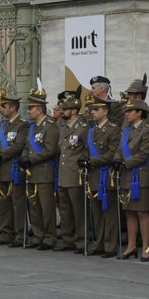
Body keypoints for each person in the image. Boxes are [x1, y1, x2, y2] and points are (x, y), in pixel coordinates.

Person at [116, 98, 149, 260]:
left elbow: (143, 153)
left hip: (140, 175)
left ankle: (146, 246)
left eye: (130, 111)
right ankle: (131, 246)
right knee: (129, 211)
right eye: (125, 111)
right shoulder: (126, 130)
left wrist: (125, 162)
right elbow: (119, 149)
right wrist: (117, 159)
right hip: (126, 175)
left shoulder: (147, 130)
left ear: (139, 113)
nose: (126, 114)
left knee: (141, 212)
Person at [82, 97, 120, 257]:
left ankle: (110, 246)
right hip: (93, 175)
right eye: (92, 110)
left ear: (105, 111)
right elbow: (86, 150)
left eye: (96, 110)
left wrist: (91, 161)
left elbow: (112, 153)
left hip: (106, 174)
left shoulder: (113, 129)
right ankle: (98, 244)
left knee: (109, 213)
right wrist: (84, 159)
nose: (92, 113)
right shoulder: (91, 130)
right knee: (96, 213)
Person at [21, 89, 59, 250]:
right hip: (31, 172)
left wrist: (31, 159)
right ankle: (38, 236)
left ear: (39, 109)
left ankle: (49, 237)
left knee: (46, 207)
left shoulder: (50, 126)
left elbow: (50, 150)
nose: (28, 111)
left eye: (31, 108)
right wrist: (24, 157)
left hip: (44, 172)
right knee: (34, 207)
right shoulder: (32, 127)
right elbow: (27, 146)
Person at [0, 91, 28, 246]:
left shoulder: (22, 125)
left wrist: (1, 155)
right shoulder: (2, 125)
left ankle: (21, 235)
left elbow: (18, 145)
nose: (1, 109)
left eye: (4, 106)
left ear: (13, 108)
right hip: (2, 168)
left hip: (14, 168)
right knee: (4, 203)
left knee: (17, 204)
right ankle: (7, 233)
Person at [55, 91, 87, 252]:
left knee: (78, 211)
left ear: (73, 111)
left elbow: (88, 149)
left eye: (65, 109)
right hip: (63, 173)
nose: (62, 111)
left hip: (75, 174)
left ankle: (81, 241)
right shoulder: (64, 127)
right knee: (65, 210)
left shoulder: (82, 128)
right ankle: (68, 240)